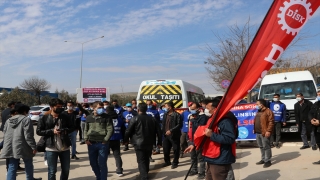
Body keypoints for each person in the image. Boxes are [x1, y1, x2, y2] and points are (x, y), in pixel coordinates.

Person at [185, 98, 238, 180]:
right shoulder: (212, 119)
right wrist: (194, 144)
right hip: (211, 157)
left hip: (219, 159)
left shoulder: (225, 121)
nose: (207, 110)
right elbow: (203, 134)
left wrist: (212, 135)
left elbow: (230, 138)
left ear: (215, 109)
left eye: (208, 109)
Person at [1, 104, 42, 180]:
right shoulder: (26, 120)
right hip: (24, 146)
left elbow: (5, 133)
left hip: (11, 146)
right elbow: (28, 136)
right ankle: (30, 178)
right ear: (24, 111)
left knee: (12, 166)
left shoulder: (8, 120)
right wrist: (33, 146)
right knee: (28, 163)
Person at [36, 98, 75, 180]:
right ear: (51, 107)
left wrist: (64, 130)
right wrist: (51, 131)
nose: (60, 108)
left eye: (61, 106)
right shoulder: (44, 118)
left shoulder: (65, 117)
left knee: (66, 170)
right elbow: (39, 131)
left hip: (65, 147)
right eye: (58, 106)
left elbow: (72, 127)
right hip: (51, 148)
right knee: (52, 170)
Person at [124, 103, 162, 180]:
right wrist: (159, 142)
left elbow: (128, 131)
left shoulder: (134, 119)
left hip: (138, 143)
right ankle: (145, 173)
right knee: (146, 158)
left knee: (141, 160)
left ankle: (144, 176)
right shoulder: (152, 119)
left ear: (138, 110)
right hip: (149, 142)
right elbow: (159, 131)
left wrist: (125, 140)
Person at [84, 102, 114, 180]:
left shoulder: (106, 117)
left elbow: (110, 129)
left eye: (102, 107)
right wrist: (86, 139)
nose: (101, 109)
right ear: (94, 108)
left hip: (102, 144)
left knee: (102, 164)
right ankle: (99, 177)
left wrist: (105, 140)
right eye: (99, 107)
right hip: (91, 143)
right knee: (93, 163)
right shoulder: (89, 117)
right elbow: (85, 129)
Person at [188, 102, 207, 179]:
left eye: (193, 109)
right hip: (191, 140)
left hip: (199, 140)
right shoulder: (191, 116)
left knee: (200, 158)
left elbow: (201, 127)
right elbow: (189, 129)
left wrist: (193, 120)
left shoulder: (203, 117)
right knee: (193, 157)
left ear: (198, 109)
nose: (192, 110)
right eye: (191, 109)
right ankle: (194, 169)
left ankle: (202, 172)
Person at [254, 99, 274, 168]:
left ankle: (268, 160)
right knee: (261, 146)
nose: (256, 106)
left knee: (266, 146)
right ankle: (263, 159)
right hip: (258, 132)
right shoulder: (258, 111)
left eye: (257, 104)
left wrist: (268, 131)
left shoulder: (268, 111)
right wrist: (255, 129)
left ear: (261, 105)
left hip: (265, 132)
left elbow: (271, 122)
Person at [162, 101, 182, 169]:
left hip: (174, 135)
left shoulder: (177, 115)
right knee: (166, 149)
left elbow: (179, 125)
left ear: (170, 107)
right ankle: (167, 161)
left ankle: (175, 162)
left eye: (166, 106)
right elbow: (163, 124)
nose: (164, 107)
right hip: (166, 135)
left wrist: (171, 130)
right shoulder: (165, 114)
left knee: (176, 149)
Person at [108, 105, 124, 177]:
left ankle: (102, 169)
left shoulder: (106, 118)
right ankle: (119, 170)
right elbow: (123, 128)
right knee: (117, 155)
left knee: (104, 155)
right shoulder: (119, 118)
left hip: (107, 139)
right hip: (117, 138)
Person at [310, 90, 320, 164]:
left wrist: (319, 121)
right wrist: (311, 119)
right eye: (318, 94)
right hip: (317, 128)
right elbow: (310, 113)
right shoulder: (316, 104)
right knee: (319, 143)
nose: (318, 95)